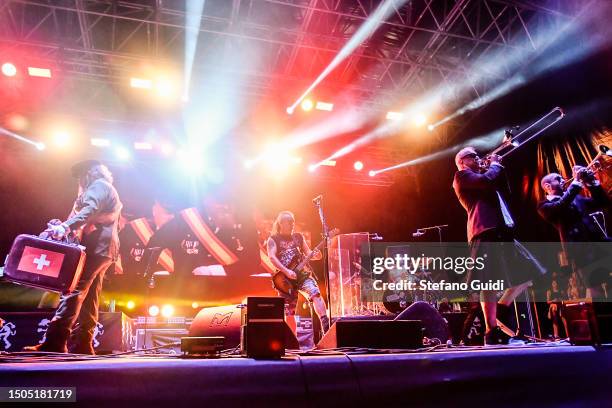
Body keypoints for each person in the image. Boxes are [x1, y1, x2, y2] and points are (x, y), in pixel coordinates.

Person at [24, 160, 122, 354]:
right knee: (90, 297)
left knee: (74, 289)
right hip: (105, 250)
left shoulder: (98, 186)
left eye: (80, 178)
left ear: (88, 175)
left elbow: (89, 210)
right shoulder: (106, 188)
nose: (79, 182)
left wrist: (65, 226)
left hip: (96, 249)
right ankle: (84, 344)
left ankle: (55, 341)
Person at [453, 147, 544, 345]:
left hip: (502, 231)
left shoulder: (482, 177)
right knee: (488, 283)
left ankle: (500, 310)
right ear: (462, 161)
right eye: (473, 157)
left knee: (528, 273)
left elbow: (501, 186)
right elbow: (485, 181)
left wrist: (496, 167)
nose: (478, 159)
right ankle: (491, 331)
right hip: (484, 232)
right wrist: (493, 165)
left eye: (478, 156)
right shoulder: (461, 176)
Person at [538, 167, 610, 299]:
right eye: (558, 179)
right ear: (548, 186)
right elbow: (561, 205)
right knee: (595, 287)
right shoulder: (544, 206)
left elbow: (603, 202)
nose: (564, 180)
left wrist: (591, 182)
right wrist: (576, 182)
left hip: (601, 243)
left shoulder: (576, 197)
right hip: (581, 251)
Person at [266, 211, 329, 335]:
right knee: (289, 311)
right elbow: (272, 257)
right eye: (289, 222)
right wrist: (287, 271)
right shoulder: (273, 239)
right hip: (284, 279)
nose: (292, 224)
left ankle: (325, 326)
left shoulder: (298, 237)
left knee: (315, 293)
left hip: (302, 275)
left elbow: (308, 253)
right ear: (281, 223)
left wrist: (317, 255)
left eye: (293, 221)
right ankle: (291, 340)